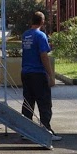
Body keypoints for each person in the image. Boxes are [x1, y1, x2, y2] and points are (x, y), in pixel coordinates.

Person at [20, 10, 62, 141]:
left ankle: (26, 130)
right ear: (42, 22)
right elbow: (43, 56)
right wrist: (51, 75)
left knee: (28, 102)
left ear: (32, 21)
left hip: (26, 73)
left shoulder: (25, 35)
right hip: (38, 73)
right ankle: (46, 130)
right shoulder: (41, 35)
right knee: (44, 103)